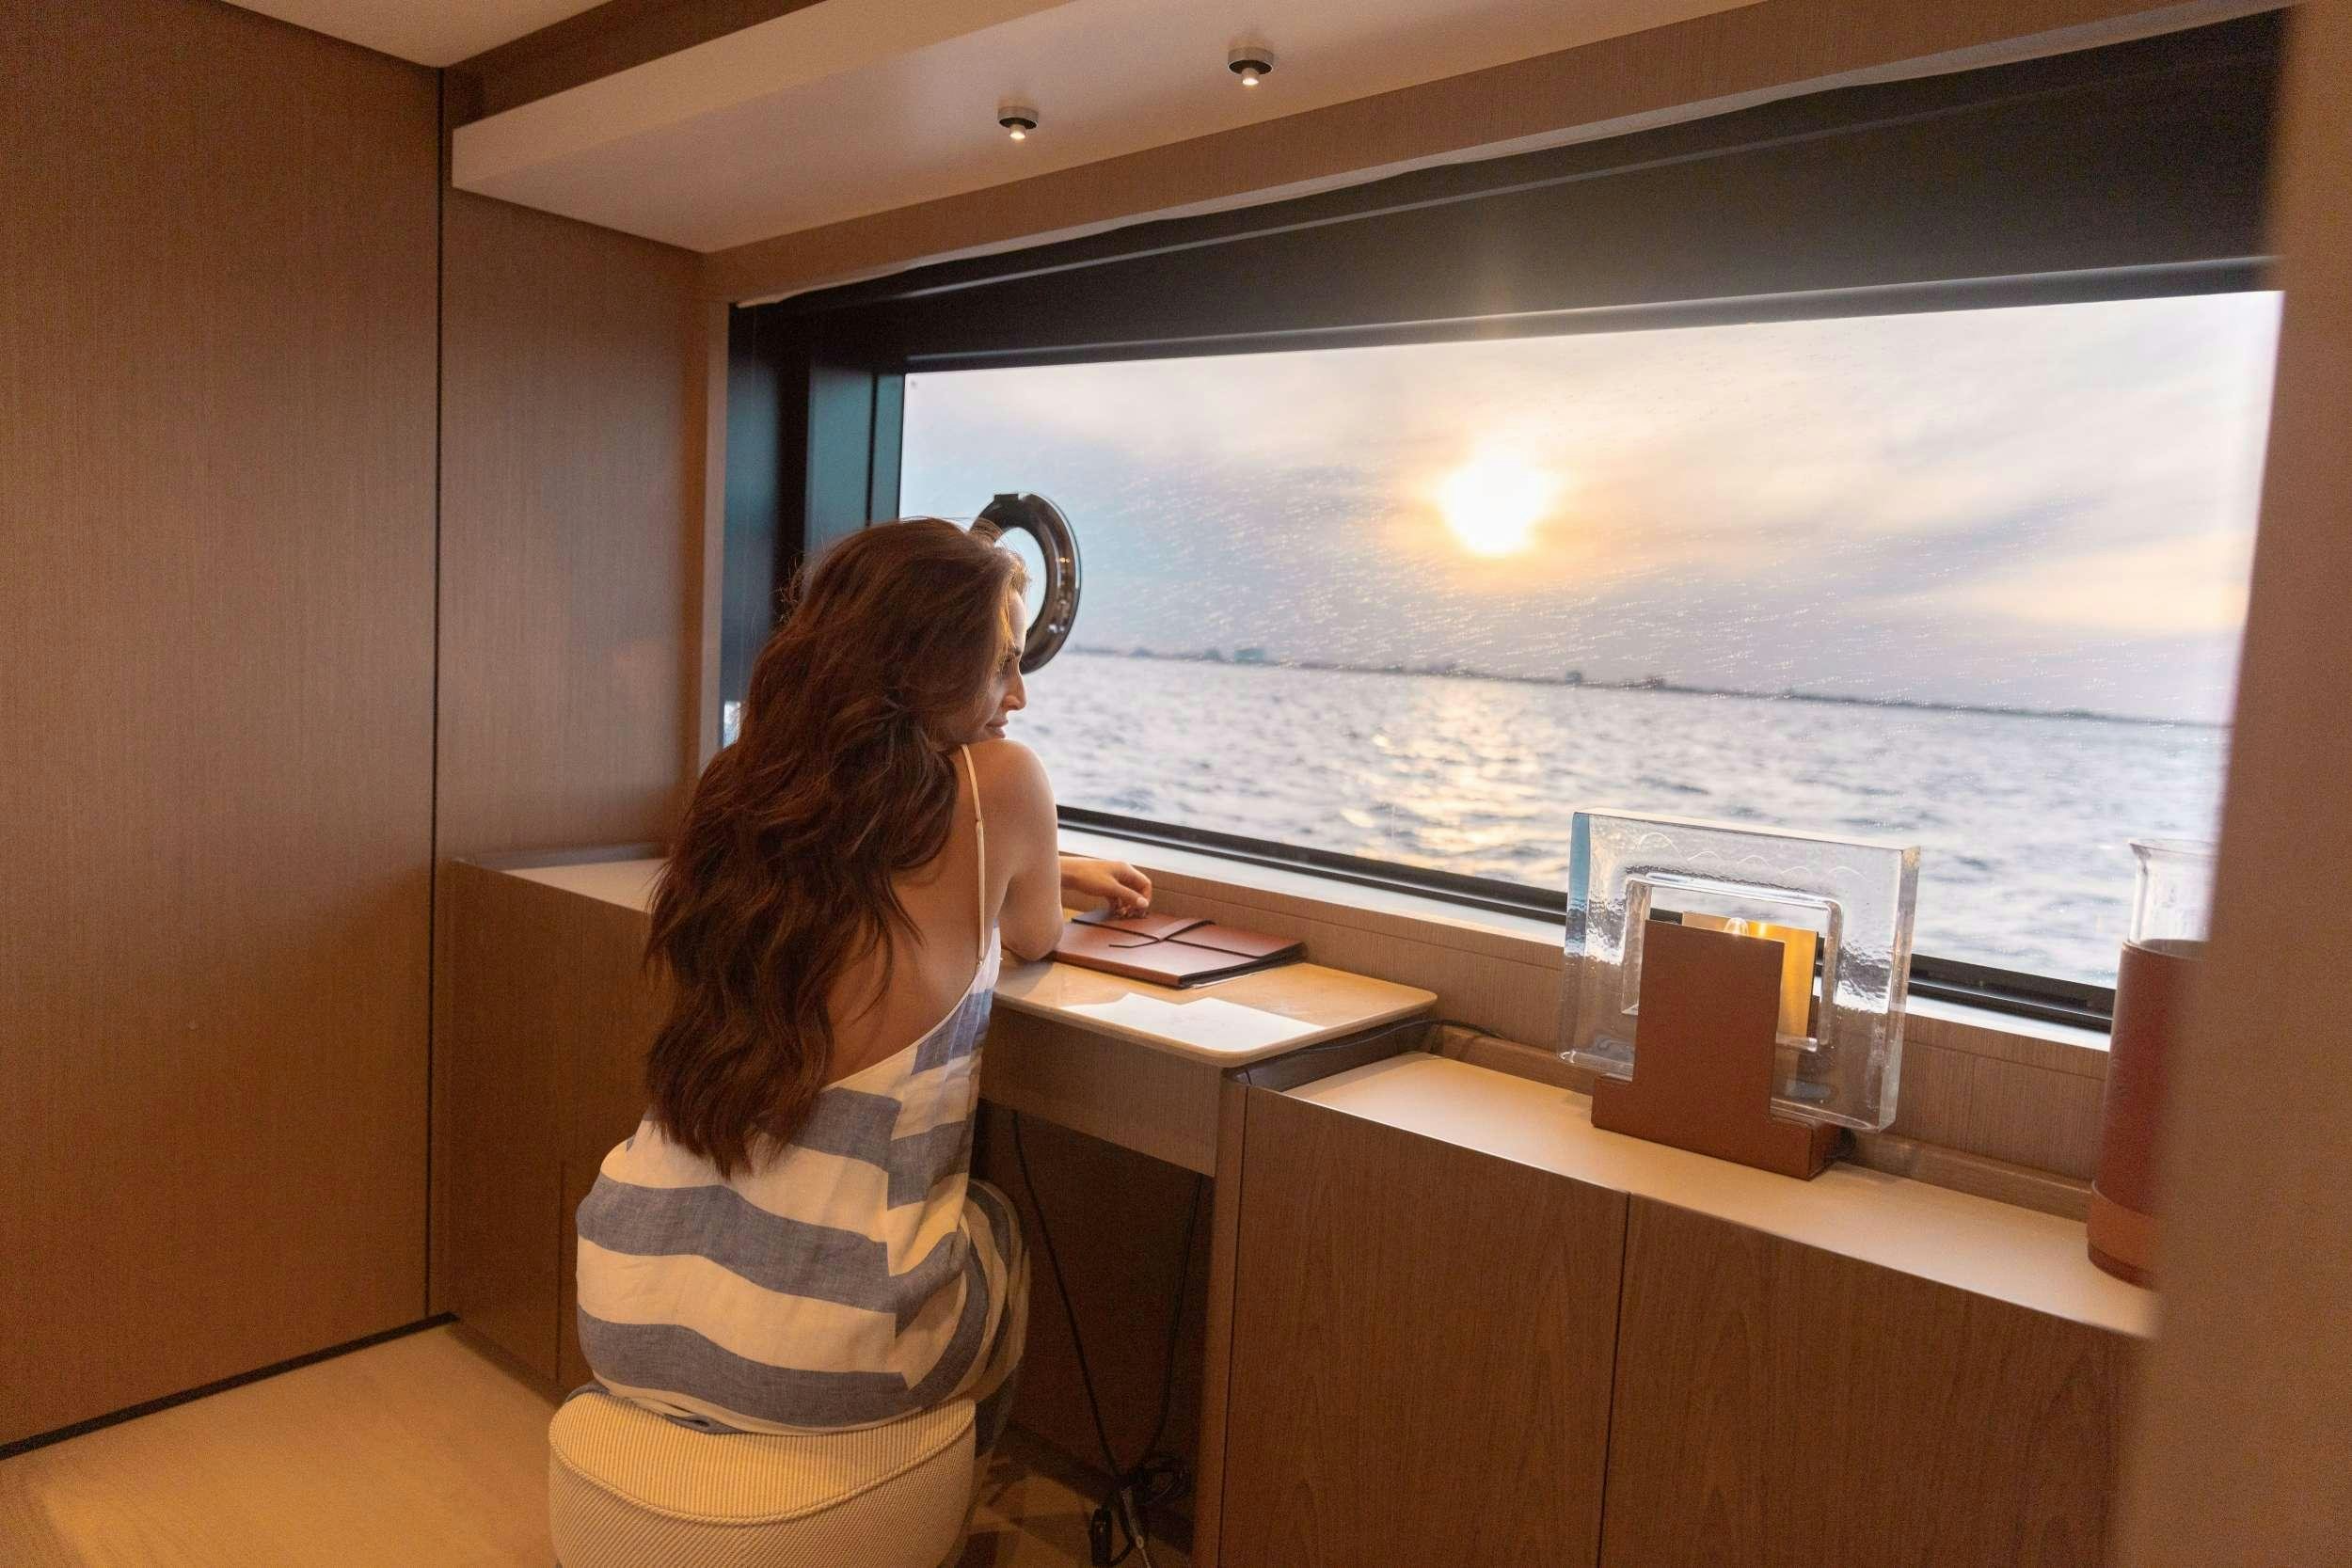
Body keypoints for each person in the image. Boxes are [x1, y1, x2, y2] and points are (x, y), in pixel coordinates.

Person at [571, 517, 1150, 1474]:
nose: (1018, 695)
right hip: (825, 1363)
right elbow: (1035, 932)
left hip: (619, 1297)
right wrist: (1049, 864)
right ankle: (921, 1500)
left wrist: (1042, 857)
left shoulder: (742, 794)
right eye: (997, 665)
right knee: (993, 1225)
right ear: (917, 666)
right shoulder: (999, 781)